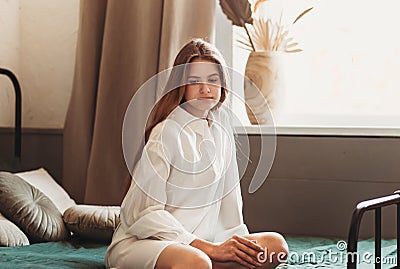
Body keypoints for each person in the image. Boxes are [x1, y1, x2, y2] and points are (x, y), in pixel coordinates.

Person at [105, 38, 288, 269]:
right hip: (149, 242)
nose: (205, 88)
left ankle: (208, 262)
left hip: (203, 245)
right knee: (196, 261)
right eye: (195, 81)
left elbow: (230, 207)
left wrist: (235, 247)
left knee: (275, 247)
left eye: (213, 80)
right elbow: (143, 213)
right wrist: (207, 248)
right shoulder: (165, 133)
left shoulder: (222, 133)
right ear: (180, 86)